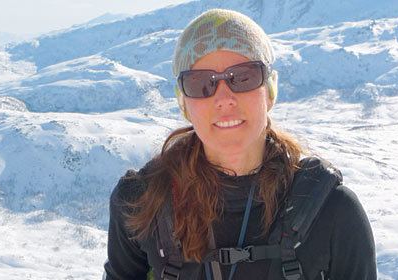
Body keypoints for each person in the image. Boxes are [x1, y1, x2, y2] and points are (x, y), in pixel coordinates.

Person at [103, 9, 376, 280]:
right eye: (201, 83)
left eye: (243, 77)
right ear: (184, 103)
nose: (224, 98)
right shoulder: (140, 204)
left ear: (268, 92)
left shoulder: (334, 211)